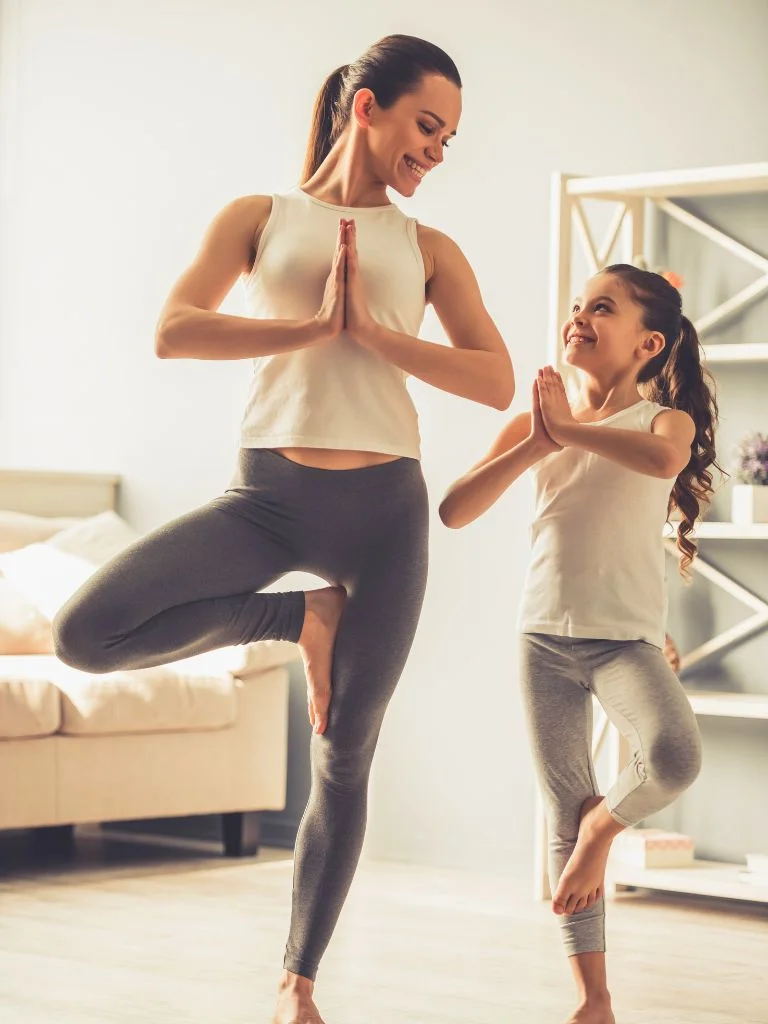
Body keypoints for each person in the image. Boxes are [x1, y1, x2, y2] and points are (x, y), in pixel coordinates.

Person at [52, 33, 514, 1024]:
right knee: (86, 634)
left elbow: (494, 376)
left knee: (348, 750)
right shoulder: (261, 217)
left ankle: (297, 982)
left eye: (450, 140)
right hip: (265, 499)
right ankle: (299, 615)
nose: (435, 151)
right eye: (426, 127)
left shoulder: (429, 250)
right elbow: (176, 328)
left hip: (385, 513)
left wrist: (381, 338)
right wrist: (310, 329)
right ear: (367, 109)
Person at [439, 263, 719, 1024]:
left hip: (625, 642)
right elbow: (455, 510)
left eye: (603, 308)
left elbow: (663, 465)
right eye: (576, 306)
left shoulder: (664, 422)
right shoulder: (541, 423)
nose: (579, 316)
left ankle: (604, 827)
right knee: (563, 805)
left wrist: (568, 430)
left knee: (670, 757)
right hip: (542, 642)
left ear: (647, 343)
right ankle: (593, 1000)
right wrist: (539, 443)